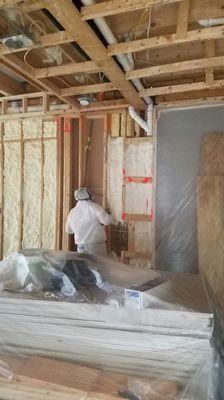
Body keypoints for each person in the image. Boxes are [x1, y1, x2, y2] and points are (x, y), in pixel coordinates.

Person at [66, 187, 113, 257]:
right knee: (99, 266)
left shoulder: (72, 211)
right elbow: (106, 221)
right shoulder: (94, 207)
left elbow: (68, 230)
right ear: (89, 196)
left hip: (80, 247)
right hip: (96, 247)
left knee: (86, 267)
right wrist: (109, 216)